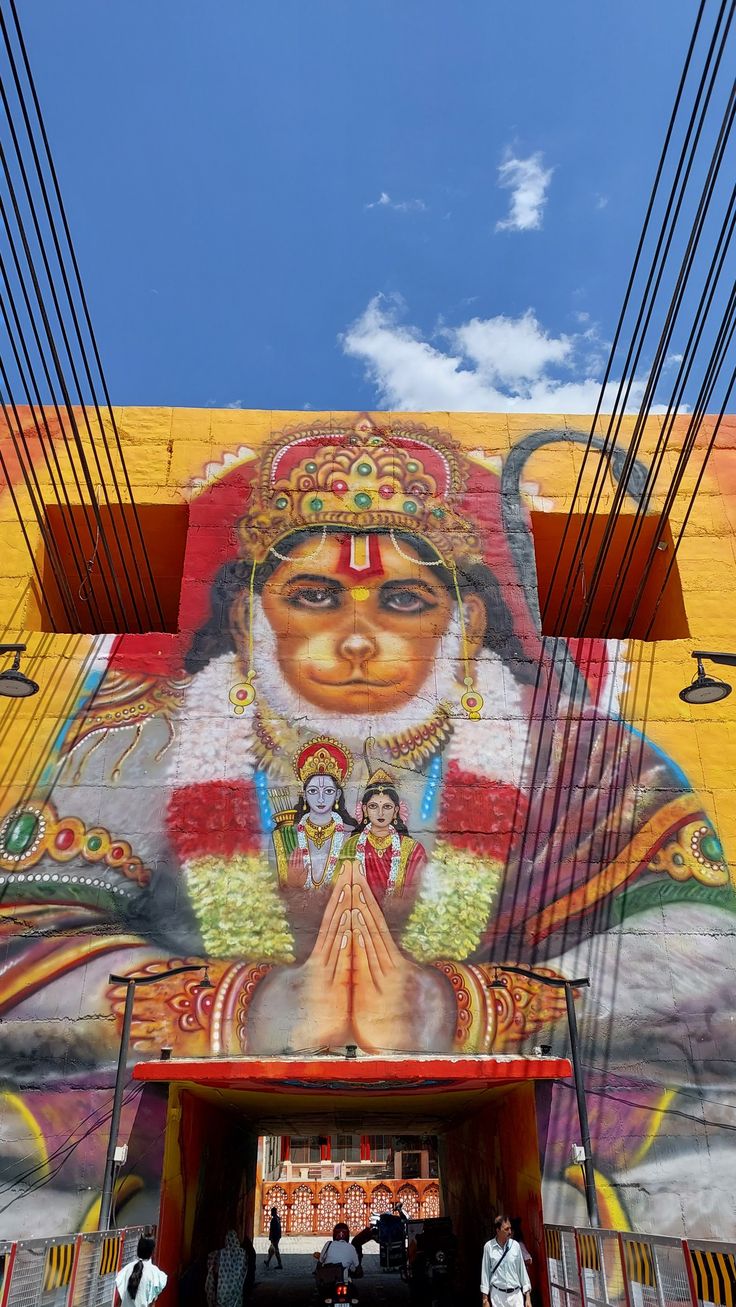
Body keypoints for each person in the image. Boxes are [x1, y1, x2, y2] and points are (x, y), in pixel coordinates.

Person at [2, 414, 736, 1237]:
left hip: (548, 1083)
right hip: (144, 1083)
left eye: (403, 598)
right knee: (24, 1148)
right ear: (247, 619)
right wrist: (243, 1006)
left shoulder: (580, 750)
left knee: (704, 1153)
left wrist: (454, 1007)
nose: (356, 637)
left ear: (468, 627)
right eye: (314, 595)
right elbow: (23, 931)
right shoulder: (144, 731)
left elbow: (704, 944)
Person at [272, 738, 356, 890]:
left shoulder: (352, 836)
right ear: (304, 795)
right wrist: (292, 882)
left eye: (328, 791)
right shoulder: (286, 836)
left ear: (337, 795)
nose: (321, 799)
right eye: (313, 791)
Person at [340, 770, 425, 901]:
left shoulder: (413, 850)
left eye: (387, 807)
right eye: (373, 806)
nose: (380, 813)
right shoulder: (352, 846)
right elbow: (341, 892)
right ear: (365, 810)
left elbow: (419, 895)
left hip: (400, 916)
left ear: (396, 810)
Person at [480, 1215, 531, 1307]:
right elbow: (485, 1273)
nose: (510, 1232)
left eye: (510, 1228)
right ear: (498, 1230)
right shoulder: (488, 1247)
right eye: (506, 1229)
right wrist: (485, 1299)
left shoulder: (515, 1246)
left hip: (516, 1296)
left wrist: (527, 1298)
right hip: (498, 1296)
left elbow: (522, 1271)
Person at [116, 1236, 167, 1307]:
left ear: (138, 1250)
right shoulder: (155, 1273)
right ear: (153, 1252)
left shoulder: (127, 1269)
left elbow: (120, 1298)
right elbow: (151, 1303)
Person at [205, 1231, 251, 1307]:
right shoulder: (242, 1254)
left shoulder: (220, 1253)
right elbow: (245, 1270)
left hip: (222, 1291)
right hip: (236, 1290)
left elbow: (214, 1269)